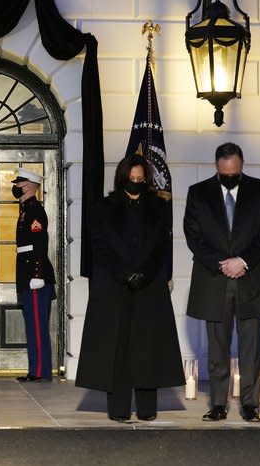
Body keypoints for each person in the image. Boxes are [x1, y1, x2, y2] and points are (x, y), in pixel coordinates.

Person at [76, 154, 184, 422]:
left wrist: (143, 274)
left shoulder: (158, 207)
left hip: (148, 288)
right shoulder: (104, 206)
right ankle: (119, 409)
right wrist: (124, 273)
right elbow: (99, 246)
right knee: (118, 349)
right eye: (131, 179)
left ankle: (147, 409)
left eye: (140, 179)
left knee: (147, 348)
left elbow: (161, 247)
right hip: (115, 287)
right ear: (122, 178)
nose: (136, 183)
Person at [184, 142, 260, 423]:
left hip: (252, 278)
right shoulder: (198, 193)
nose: (230, 177)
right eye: (225, 173)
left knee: (251, 347)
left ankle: (250, 405)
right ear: (217, 168)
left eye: (234, 172)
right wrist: (222, 264)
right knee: (217, 348)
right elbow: (193, 236)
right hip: (214, 279)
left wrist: (243, 261)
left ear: (242, 166)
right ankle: (218, 404)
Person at [12, 168, 56, 382]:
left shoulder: (35, 210)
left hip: (35, 276)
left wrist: (37, 274)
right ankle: (35, 370)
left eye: (18, 184)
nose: (16, 187)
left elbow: (39, 244)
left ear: (28, 186)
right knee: (32, 324)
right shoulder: (25, 210)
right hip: (27, 274)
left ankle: (40, 371)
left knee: (38, 326)